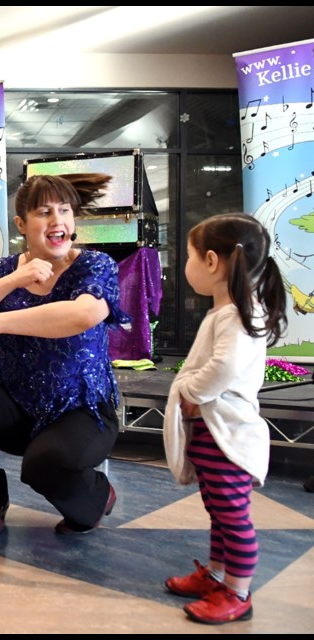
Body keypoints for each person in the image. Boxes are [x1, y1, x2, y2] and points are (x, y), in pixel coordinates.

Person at [0, 173, 130, 538]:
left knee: (44, 465)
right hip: (18, 403)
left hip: (84, 410)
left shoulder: (95, 265)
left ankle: (97, 495)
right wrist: (13, 280)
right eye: (44, 212)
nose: (58, 221)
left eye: (65, 211)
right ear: (22, 224)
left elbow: (82, 315)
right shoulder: (0, 270)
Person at [162, 213, 287, 625]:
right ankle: (217, 575)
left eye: (189, 257)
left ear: (212, 261)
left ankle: (238, 592)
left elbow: (226, 366)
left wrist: (192, 393)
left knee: (234, 517)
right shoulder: (228, 312)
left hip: (227, 438)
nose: (186, 266)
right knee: (219, 511)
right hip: (212, 435)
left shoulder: (236, 315)